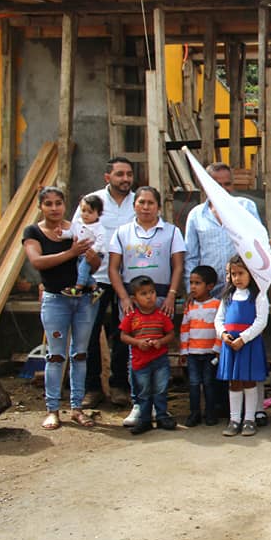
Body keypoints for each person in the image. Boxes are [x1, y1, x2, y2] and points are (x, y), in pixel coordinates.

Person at [22, 186, 100, 430]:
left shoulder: (76, 227)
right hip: (56, 299)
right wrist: (71, 252)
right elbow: (37, 262)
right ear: (41, 206)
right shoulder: (34, 231)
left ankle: (77, 408)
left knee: (80, 354)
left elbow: (95, 263)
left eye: (58, 203)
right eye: (49, 204)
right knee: (55, 356)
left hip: (84, 299)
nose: (54, 208)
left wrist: (90, 256)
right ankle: (52, 409)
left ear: (65, 205)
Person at [109, 186, 185, 428]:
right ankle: (139, 405)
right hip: (132, 301)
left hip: (161, 299)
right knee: (136, 354)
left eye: (150, 202)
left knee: (159, 350)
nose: (145, 207)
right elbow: (113, 268)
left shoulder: (171, 232)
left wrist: (171, 295)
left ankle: (160, 407)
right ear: (134, 205)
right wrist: (124, 297)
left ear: (158, 206)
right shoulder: (122, 233)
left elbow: (178, 266)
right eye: (141, 202)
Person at [78, 156, 136, 409]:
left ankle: (120, 385)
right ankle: (92, 388)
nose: (125, 179)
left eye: (129, 174)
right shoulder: (93, 201)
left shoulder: (139, 201)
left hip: (130, 280)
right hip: (98, 278)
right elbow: (78, 234)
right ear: (107, 177)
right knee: (89, 332)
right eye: (120, 174)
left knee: (124, 331)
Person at [185, 162, 262, 298]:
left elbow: (259, 246)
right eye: (217, 184)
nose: (223, 189)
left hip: (241, 289)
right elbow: (191, 257)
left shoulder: (246, 208)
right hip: (208, 292)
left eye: (227, 184)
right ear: (205, 185)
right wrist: (191, 289)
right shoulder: (196, 215)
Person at [215, 254, 270, 438]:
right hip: (230, 345)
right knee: (234, 382)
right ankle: (234, 419)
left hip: (248, 345)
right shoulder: (227, 296)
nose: (237, 278)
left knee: (249, 381)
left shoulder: (259, 296)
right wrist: (223, 334)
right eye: (233, 274)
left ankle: (249, 419)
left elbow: (261, 321)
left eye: (241, 273)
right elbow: (219, 319)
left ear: (251, 274)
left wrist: (244, 338)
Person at [119, 276, 176, 435]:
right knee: (143, 392)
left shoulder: (161, 315)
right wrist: (137, 342)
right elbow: (123, 336)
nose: (149, 296)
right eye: (144, 293)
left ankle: (162, 416)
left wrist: (161, 341)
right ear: (134, 298)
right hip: (140, 362)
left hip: (160, 360)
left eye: (152, 292)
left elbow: (171, 334)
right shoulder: (131, 317)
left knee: (161, 389)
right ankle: (144, 420)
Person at [180, 265, 221, 427]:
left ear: (210, 286)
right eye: (191, 283)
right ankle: (194, 413)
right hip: (193, 353)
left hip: (210, 353)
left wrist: (217, 349)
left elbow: (220, 329)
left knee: (209, 383)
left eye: (198, 283)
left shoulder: (217, 305)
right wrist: (184, 351)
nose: (193, 287)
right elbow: (184, 329)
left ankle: (210, 413)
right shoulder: (189, 306)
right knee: (194, 384)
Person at [60, 194, 106, 301]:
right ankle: (95, 287)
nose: (85, 214)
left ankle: (78, 288)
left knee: (82, 269)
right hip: (80, 254)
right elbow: (70, 234)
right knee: (81, 271)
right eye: (83, 210)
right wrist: (61, 233)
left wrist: (93, 250)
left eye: (90, 212)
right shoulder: (77, 223)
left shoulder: (99, 227)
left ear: (98, 214)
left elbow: (100, 241)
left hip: (93, 254)